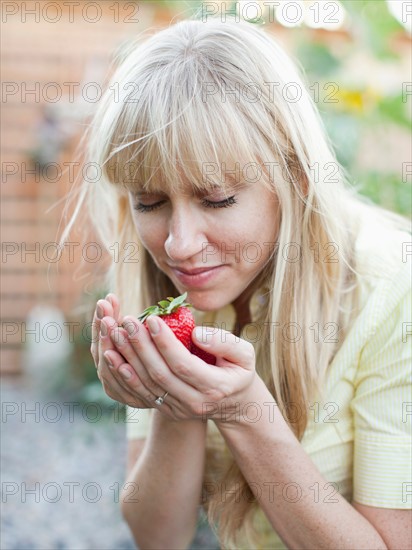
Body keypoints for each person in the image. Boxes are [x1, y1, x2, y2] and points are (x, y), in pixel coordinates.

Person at [61, 14, 412, 550]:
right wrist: (175, 401)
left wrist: (245, 412)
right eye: (149, 202)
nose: (178, 245)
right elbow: (161, 537)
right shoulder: (155, 271)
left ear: (294, 179)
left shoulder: (393, 288)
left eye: (217, 199)